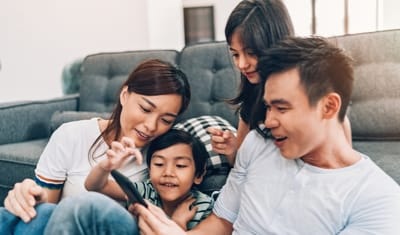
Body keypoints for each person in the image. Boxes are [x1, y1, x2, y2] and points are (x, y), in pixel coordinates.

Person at [133, 37, 400, 234]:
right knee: (97, 213)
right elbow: (223, 221)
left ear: (328, 106)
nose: (269, 121)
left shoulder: (379, 201)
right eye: (268, 106)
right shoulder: (258, 143)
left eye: (281, 108)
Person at [0, 59, 191, 234]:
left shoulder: (164, 157)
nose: (151, 126)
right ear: (125, 95)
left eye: (166, 120)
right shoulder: (71, 135)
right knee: (15, 215)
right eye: (145, 109)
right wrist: (28, 196)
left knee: (85, 205)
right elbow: (47, 208)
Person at [207, 0, 352, 166]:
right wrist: (232, 151)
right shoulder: (252, 96)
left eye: (251, 53)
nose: (241, 64)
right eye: (235, 54)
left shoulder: (316, 97)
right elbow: (241, 166)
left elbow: (342, 169)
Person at [42, 129, 213, 234]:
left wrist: (178, 223)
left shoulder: (203, 207)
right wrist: (105, 167)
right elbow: (95, 186)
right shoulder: (146, 191)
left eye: (181, 165)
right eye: (159, 164)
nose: (168, 173)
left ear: (198, 174)